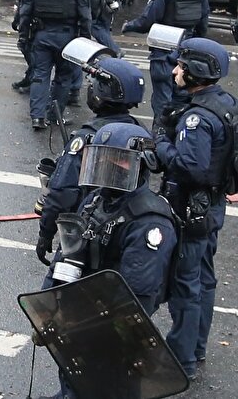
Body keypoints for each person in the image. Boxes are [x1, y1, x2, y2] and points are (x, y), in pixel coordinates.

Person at [39, 121, 178, 399]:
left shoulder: (150, 221)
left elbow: (134, 301)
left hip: (113, 334)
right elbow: (68, 254)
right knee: (73, 378)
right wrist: (48, 309)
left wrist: (82, 325)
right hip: (80, 320)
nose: (107, 167)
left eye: (117, 160)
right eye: (101, 159)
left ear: (142, 164)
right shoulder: (95, 201)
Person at [155, 38, 236, 381]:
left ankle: (181, 358)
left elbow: (191, 167)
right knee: (203, 278)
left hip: (190, 208)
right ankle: (196, 346)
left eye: (182, 67)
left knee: (185, 283)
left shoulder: (197, 118)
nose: (175, 71)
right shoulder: (224, 102)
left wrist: (161, 144)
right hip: (211, 205)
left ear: (197, 71)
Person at [36, 56, 146, 262]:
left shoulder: (88, 137)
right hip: (127, 230)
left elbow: (62, 193)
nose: (90, 88)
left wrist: (46, 232)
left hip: (87, 228)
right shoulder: (139, 133)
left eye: (93, 84)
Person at [122, 0, 210, 121]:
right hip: (187, 53)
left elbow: (147, 20)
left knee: (162, 102)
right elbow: (203, 23)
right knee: (183, 99)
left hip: (164, 53)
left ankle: (161, 133)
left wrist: (128, 26)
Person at [17, 0, 91, 129]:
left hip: (41, 34)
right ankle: (54, 116)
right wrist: (85, 40)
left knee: (40, 75)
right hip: (67, 36)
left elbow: (25, 8)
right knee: (63, 77)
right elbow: (85, 13)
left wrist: (23, 35)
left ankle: (37, 117)